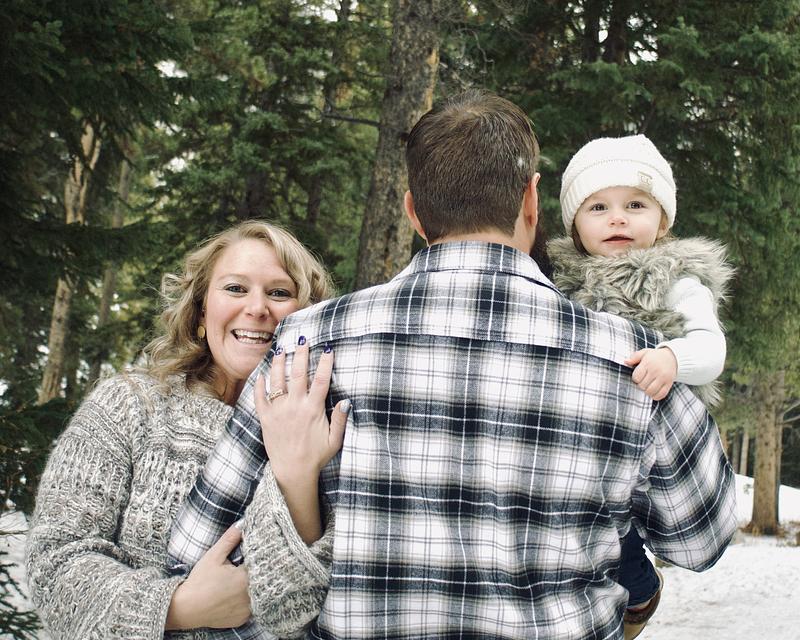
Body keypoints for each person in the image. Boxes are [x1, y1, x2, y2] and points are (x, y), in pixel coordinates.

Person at [168, 90, 738, 639]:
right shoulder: (633, 358)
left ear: (413, 212)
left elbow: (197, 544)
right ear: (532, 201)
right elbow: (701, 540)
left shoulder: (307, 343)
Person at [25, 220, 344, 639]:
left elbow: (314, 602)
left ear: (307, 315)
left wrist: (299, 473)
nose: (257, 308)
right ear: (200, 311)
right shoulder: (130, 405)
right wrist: (179, 607)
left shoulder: (329, 427)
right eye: (236, 288)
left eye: (279, 293)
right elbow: (54, 564)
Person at [549, 134, 734, 638]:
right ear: (574, 223)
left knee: (622, 528)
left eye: (635, 205)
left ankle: (639, 592)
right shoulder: (558, 282)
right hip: (585, 429)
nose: (618, 219)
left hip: (654, 432)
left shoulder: (676, 279)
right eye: (599, 207)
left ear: (663, 220)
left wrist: (672, 356)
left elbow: (711, 348)